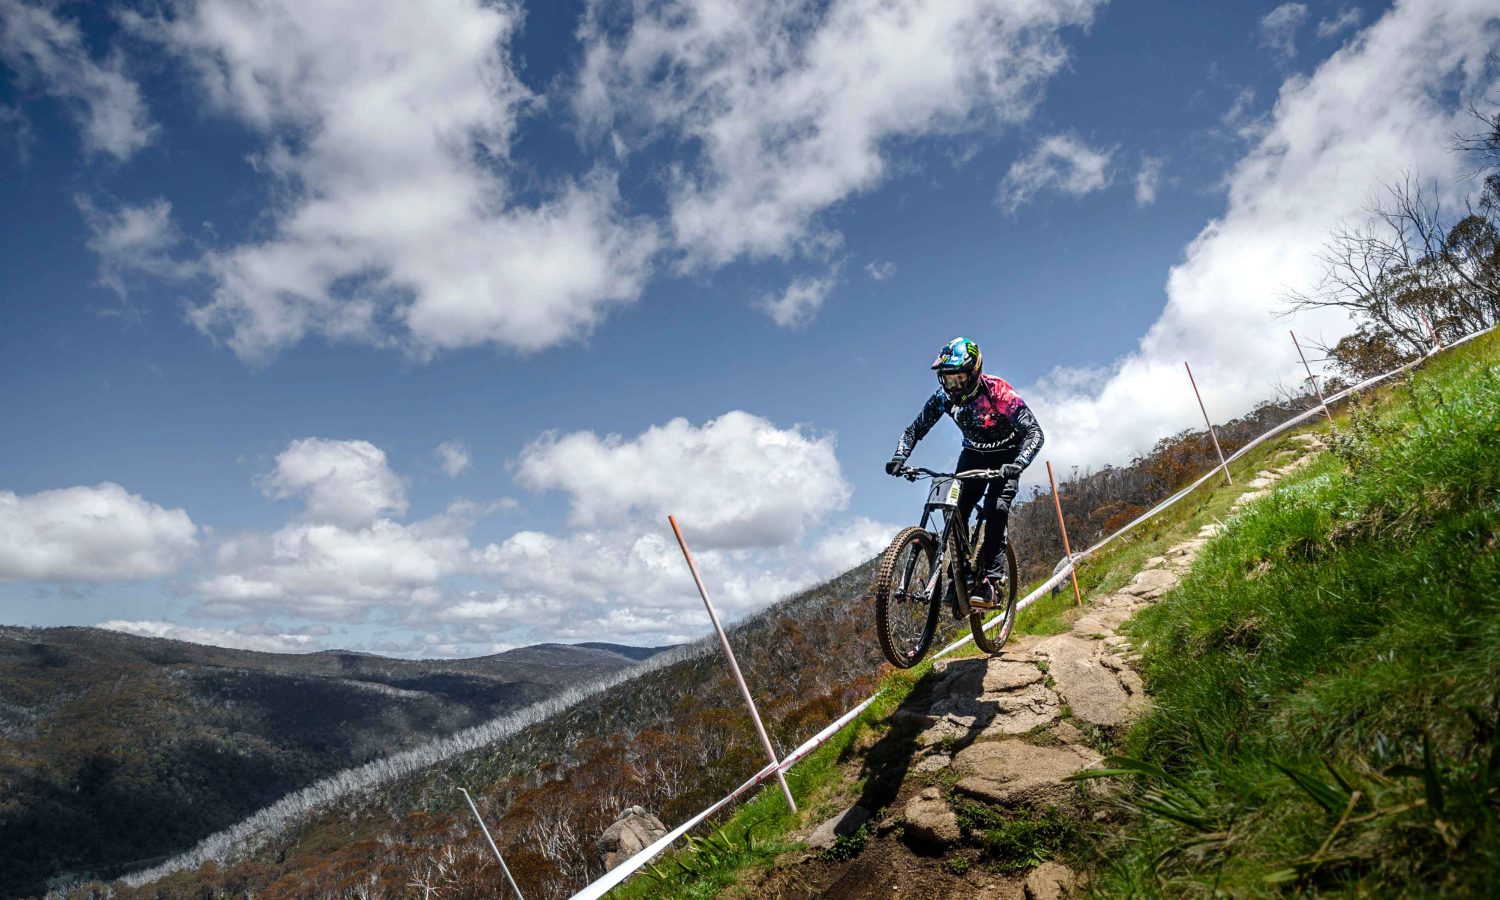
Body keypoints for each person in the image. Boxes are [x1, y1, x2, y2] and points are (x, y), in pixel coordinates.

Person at [886, 336, 1044, 590]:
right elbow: (914, 429)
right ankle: (960, 569)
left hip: (1007, 456)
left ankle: (991, 579)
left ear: (974, 372)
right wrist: (899, 457)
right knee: (957, 507)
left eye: (959, 378)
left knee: (997, 507)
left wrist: (1020, 463)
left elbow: (1035, 433)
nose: (954, 386)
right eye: (948, 379)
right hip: (973, 454)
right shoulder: (942, 399)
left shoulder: (999, 392)